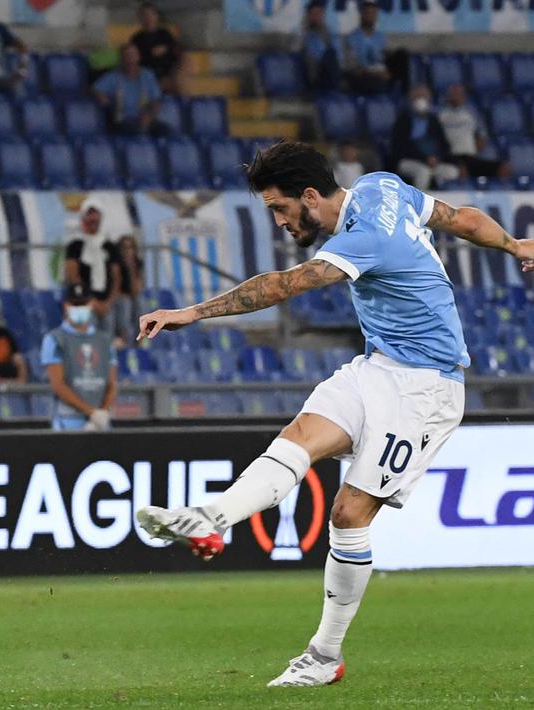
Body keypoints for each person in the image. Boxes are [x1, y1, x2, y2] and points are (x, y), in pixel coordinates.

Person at [134, 140, 534, 686]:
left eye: (279, 208)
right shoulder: (382, 186)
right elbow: (459, 218)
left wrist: (194, 312)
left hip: (427, 388)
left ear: (310, 195)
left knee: (348, 515)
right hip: (377, 367)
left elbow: (283, 285)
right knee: (301, 435)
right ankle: (213, 517)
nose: (278, 221)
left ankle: (324, 656)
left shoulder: (364, 237)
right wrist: (514, 245)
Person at [40, 284, 117, 432]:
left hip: (100, 422)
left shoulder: (104, 340)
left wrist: (102, 414)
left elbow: (112, 383)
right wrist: (91, 412)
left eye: (83, 304)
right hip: (68, 421)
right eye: (75, 304)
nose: (79, 308)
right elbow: (58, 384)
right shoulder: (54, 339)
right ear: (66, 306)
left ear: (92, 304)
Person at [64, 200, 124, 340]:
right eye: (89, 215)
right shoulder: (75, 245)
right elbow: (73, 276)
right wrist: (92, 302)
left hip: (105, 302)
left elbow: (116, 277)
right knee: (84, 342)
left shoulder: (109, 246)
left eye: (96, 215)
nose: (93, 220)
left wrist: (108, 302)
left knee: (106, 342)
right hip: (83, 303)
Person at [392, 85, 459, 191]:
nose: (421, 100)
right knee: (423, 172)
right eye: (417, 96)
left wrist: (437, 158)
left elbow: (444, 145)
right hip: (408, 161)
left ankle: (445, 202)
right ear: (410, 99)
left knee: (452, 172)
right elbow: (400, 147)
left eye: (424, 96)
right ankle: (419, 204)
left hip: (433, 162)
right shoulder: (403, 120)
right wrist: (424, 158)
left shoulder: (433, 120)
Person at [438, 83, 510, 181]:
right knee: (461, 170)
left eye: (459, 94)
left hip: (469, 156)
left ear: (464, 96)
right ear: (448, 96)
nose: (456, 97)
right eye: (453, 94)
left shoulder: (472, 114)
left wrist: (474, 150)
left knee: (504, 168)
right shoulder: (440, 114)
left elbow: (482, 136)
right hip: (450, 156)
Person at [91, 44, 166, 136]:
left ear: (138, 57)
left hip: (146, 119)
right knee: (138, 133)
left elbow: (156, 101)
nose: (130, 59)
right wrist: (101, 97)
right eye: (127, 56)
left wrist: (149, 117)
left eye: (133, 55)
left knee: (169, 133)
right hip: (123, 121)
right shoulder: (113, 76)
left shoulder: (148, 75)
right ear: (121, 59)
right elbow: (94, 89)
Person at [129, 2, 182, 94]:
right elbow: (135, 60)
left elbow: (176, 52)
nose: (148, 18)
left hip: (168, 73)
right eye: (145, 15)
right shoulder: (136, 39)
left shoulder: (165, 34)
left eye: (151, 14)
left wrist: (166, 49)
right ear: (140, 18)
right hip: (147, 74)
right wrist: (151, 54)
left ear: (156, 16)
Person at [343, 1, 390, 94]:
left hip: (379, 74)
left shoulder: (381, 37)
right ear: (361, 15)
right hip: (361, 75)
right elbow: (352, 67)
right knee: (374, 82)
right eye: (368, 13)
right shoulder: (352, 37)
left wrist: (385, 71)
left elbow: (384, 60)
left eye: (373, 14)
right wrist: (371, 72)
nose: (371, 17)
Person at [294, 0, 341, 93]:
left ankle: (335, 89)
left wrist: (323, 31)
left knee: (331, 54)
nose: (317, 17)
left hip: (327, 72)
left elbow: (339, 55)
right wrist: (305, 30)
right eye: (314, 14)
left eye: (320, 13)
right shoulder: (302, 33)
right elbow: (294, 51)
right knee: (329, 56)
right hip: (311, 73)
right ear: (308, 15)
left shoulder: (328, 33)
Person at [116, 236, 145, 345]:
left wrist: (131, 267)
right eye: (124, 248)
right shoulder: (116, 264)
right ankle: (124, 341)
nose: (127, 251)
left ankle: (140, 342)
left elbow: (137, 288)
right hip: (120, 296)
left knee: (140, 303)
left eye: (130, 247)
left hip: (132, 295)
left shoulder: (137, 263)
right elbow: (117, 288)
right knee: (125, 304)